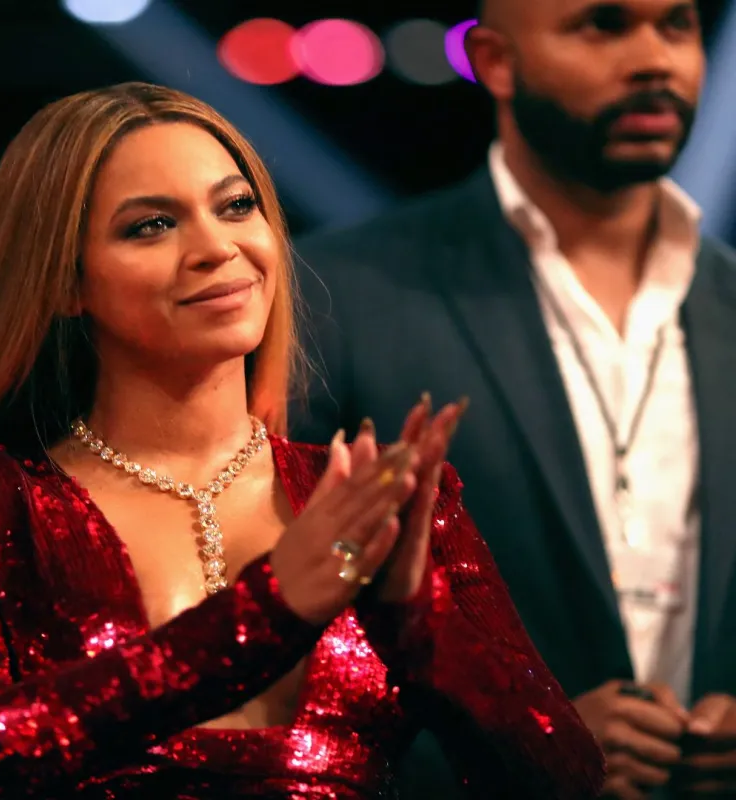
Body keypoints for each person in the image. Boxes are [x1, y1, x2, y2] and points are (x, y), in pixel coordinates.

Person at [0, 82, 605, 799]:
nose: (217, 247)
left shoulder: (383, 499)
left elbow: (565, 779)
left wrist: (418, 619)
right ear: (64, 282)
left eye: (236, 206)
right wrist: (270, 609)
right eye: (151, 225)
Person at [293, 0, 736, 797]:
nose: (655, 59)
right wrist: (514, 746)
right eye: (603, 25)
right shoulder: (335, 297)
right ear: (495, 61)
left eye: (677, 25)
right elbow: (273, 643)